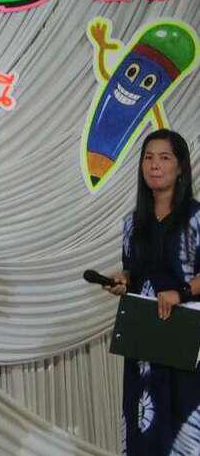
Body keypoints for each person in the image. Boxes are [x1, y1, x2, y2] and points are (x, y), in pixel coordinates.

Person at [103, 129, 200, 454]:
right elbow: (136, 272)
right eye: (148, 157)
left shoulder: (196, 218)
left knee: (184, 434)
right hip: (143, 345)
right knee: (143, 432)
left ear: (180, 167)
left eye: (164, 157)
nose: (154, 165)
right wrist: (123, 280)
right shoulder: (132, 224)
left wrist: (181, 292)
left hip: (187, 344)